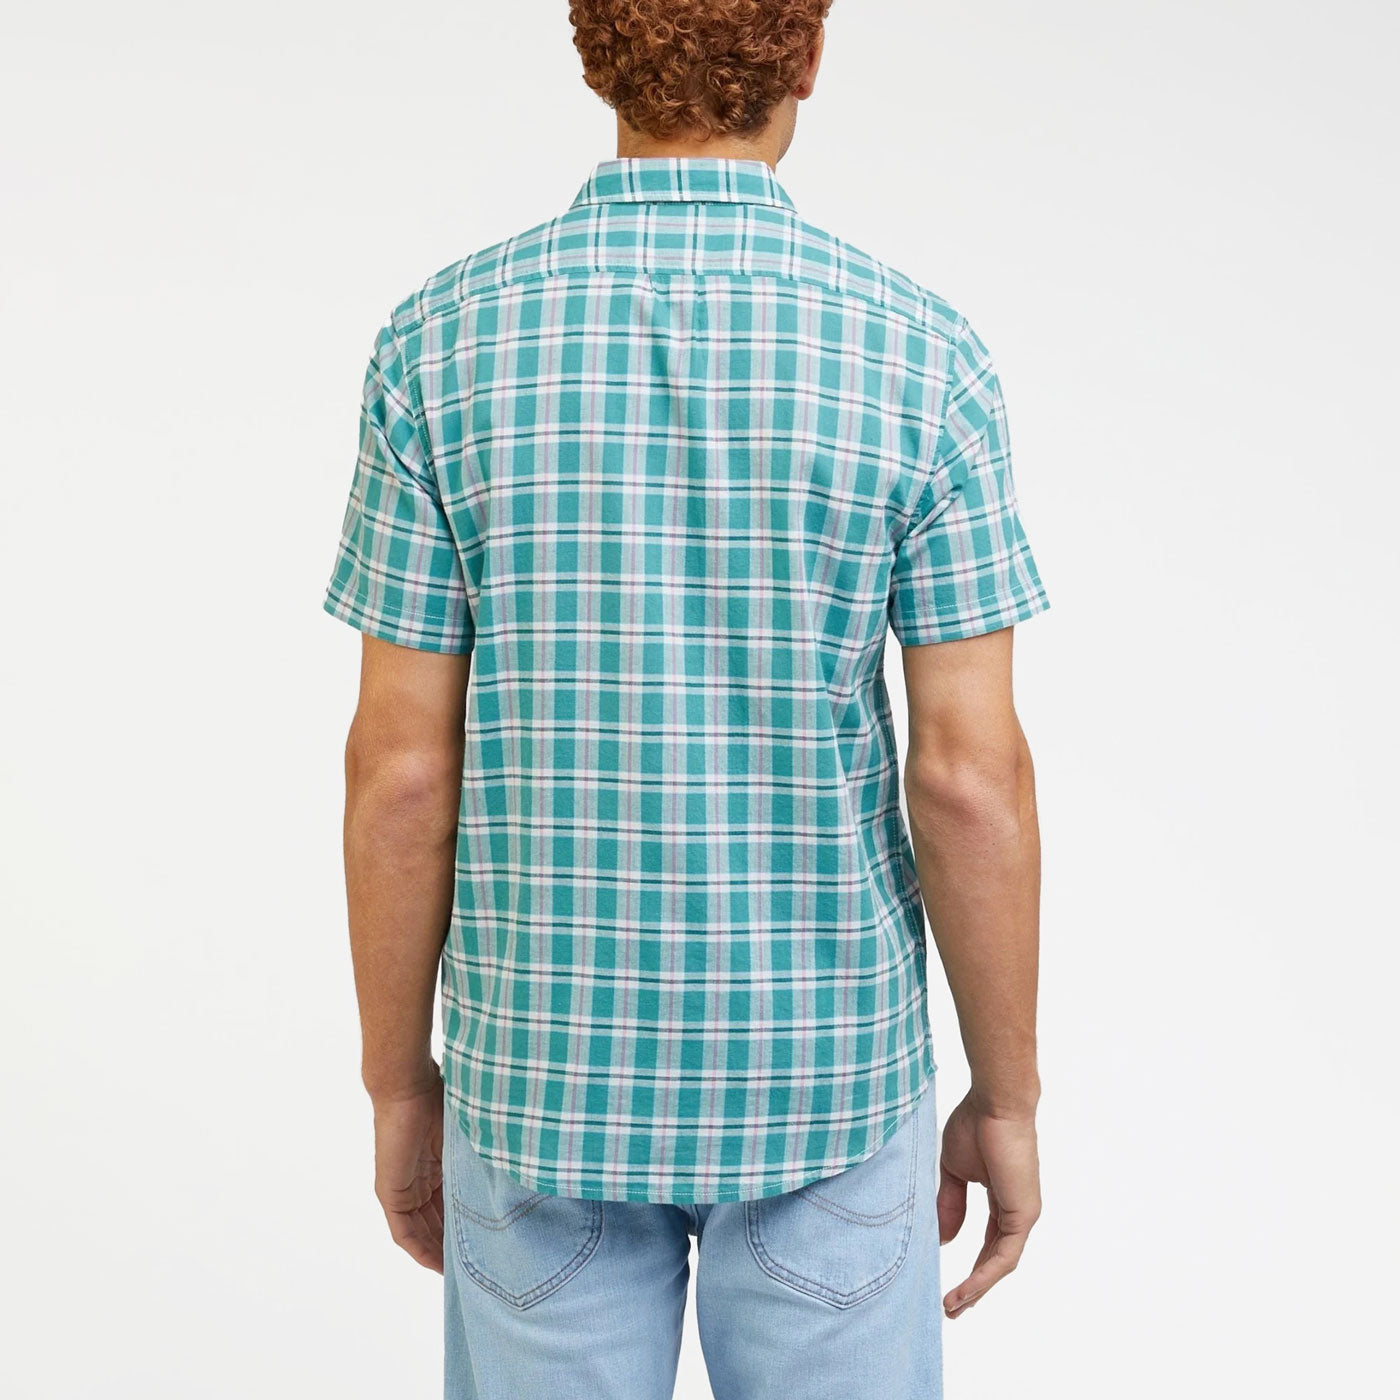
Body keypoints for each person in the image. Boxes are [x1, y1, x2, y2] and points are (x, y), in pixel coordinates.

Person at [323, 3, 1048, 1395]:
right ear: (810, 54)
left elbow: (400, 771)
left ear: (592, 46)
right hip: (826, 1077)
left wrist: (399, 1084)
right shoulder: (922, 354)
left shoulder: (438, 343)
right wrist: (1006, 1098)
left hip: (537, 1082)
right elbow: (970, 778)